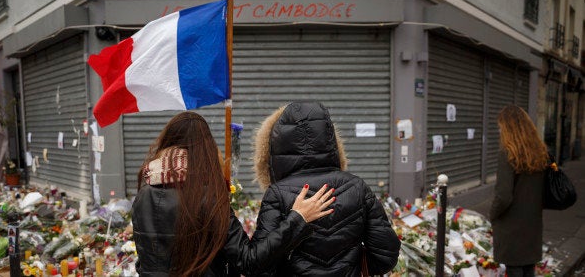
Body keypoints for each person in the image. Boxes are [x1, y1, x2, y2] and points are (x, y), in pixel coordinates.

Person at [131, 111, 335, 276]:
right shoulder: (208, 197)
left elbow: (147, 259)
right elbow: (249, 261)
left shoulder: (143, 194)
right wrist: (297, 219)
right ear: (207, 149)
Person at [251, 101, 400, 276]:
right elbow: (386, 255)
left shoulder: (276, 194)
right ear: (330, 139)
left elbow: (260, 262)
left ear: (277, 146)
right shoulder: (358, 187)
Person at [490, 105, 548, 277]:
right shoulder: (538, 151)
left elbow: (503, 196)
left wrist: (493, 213)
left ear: (508, 127)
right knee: (528, 269)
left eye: (501, 126)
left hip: (512, 227)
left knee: (515, 269)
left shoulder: (507, 153)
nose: (499, 130)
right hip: (532, 225)